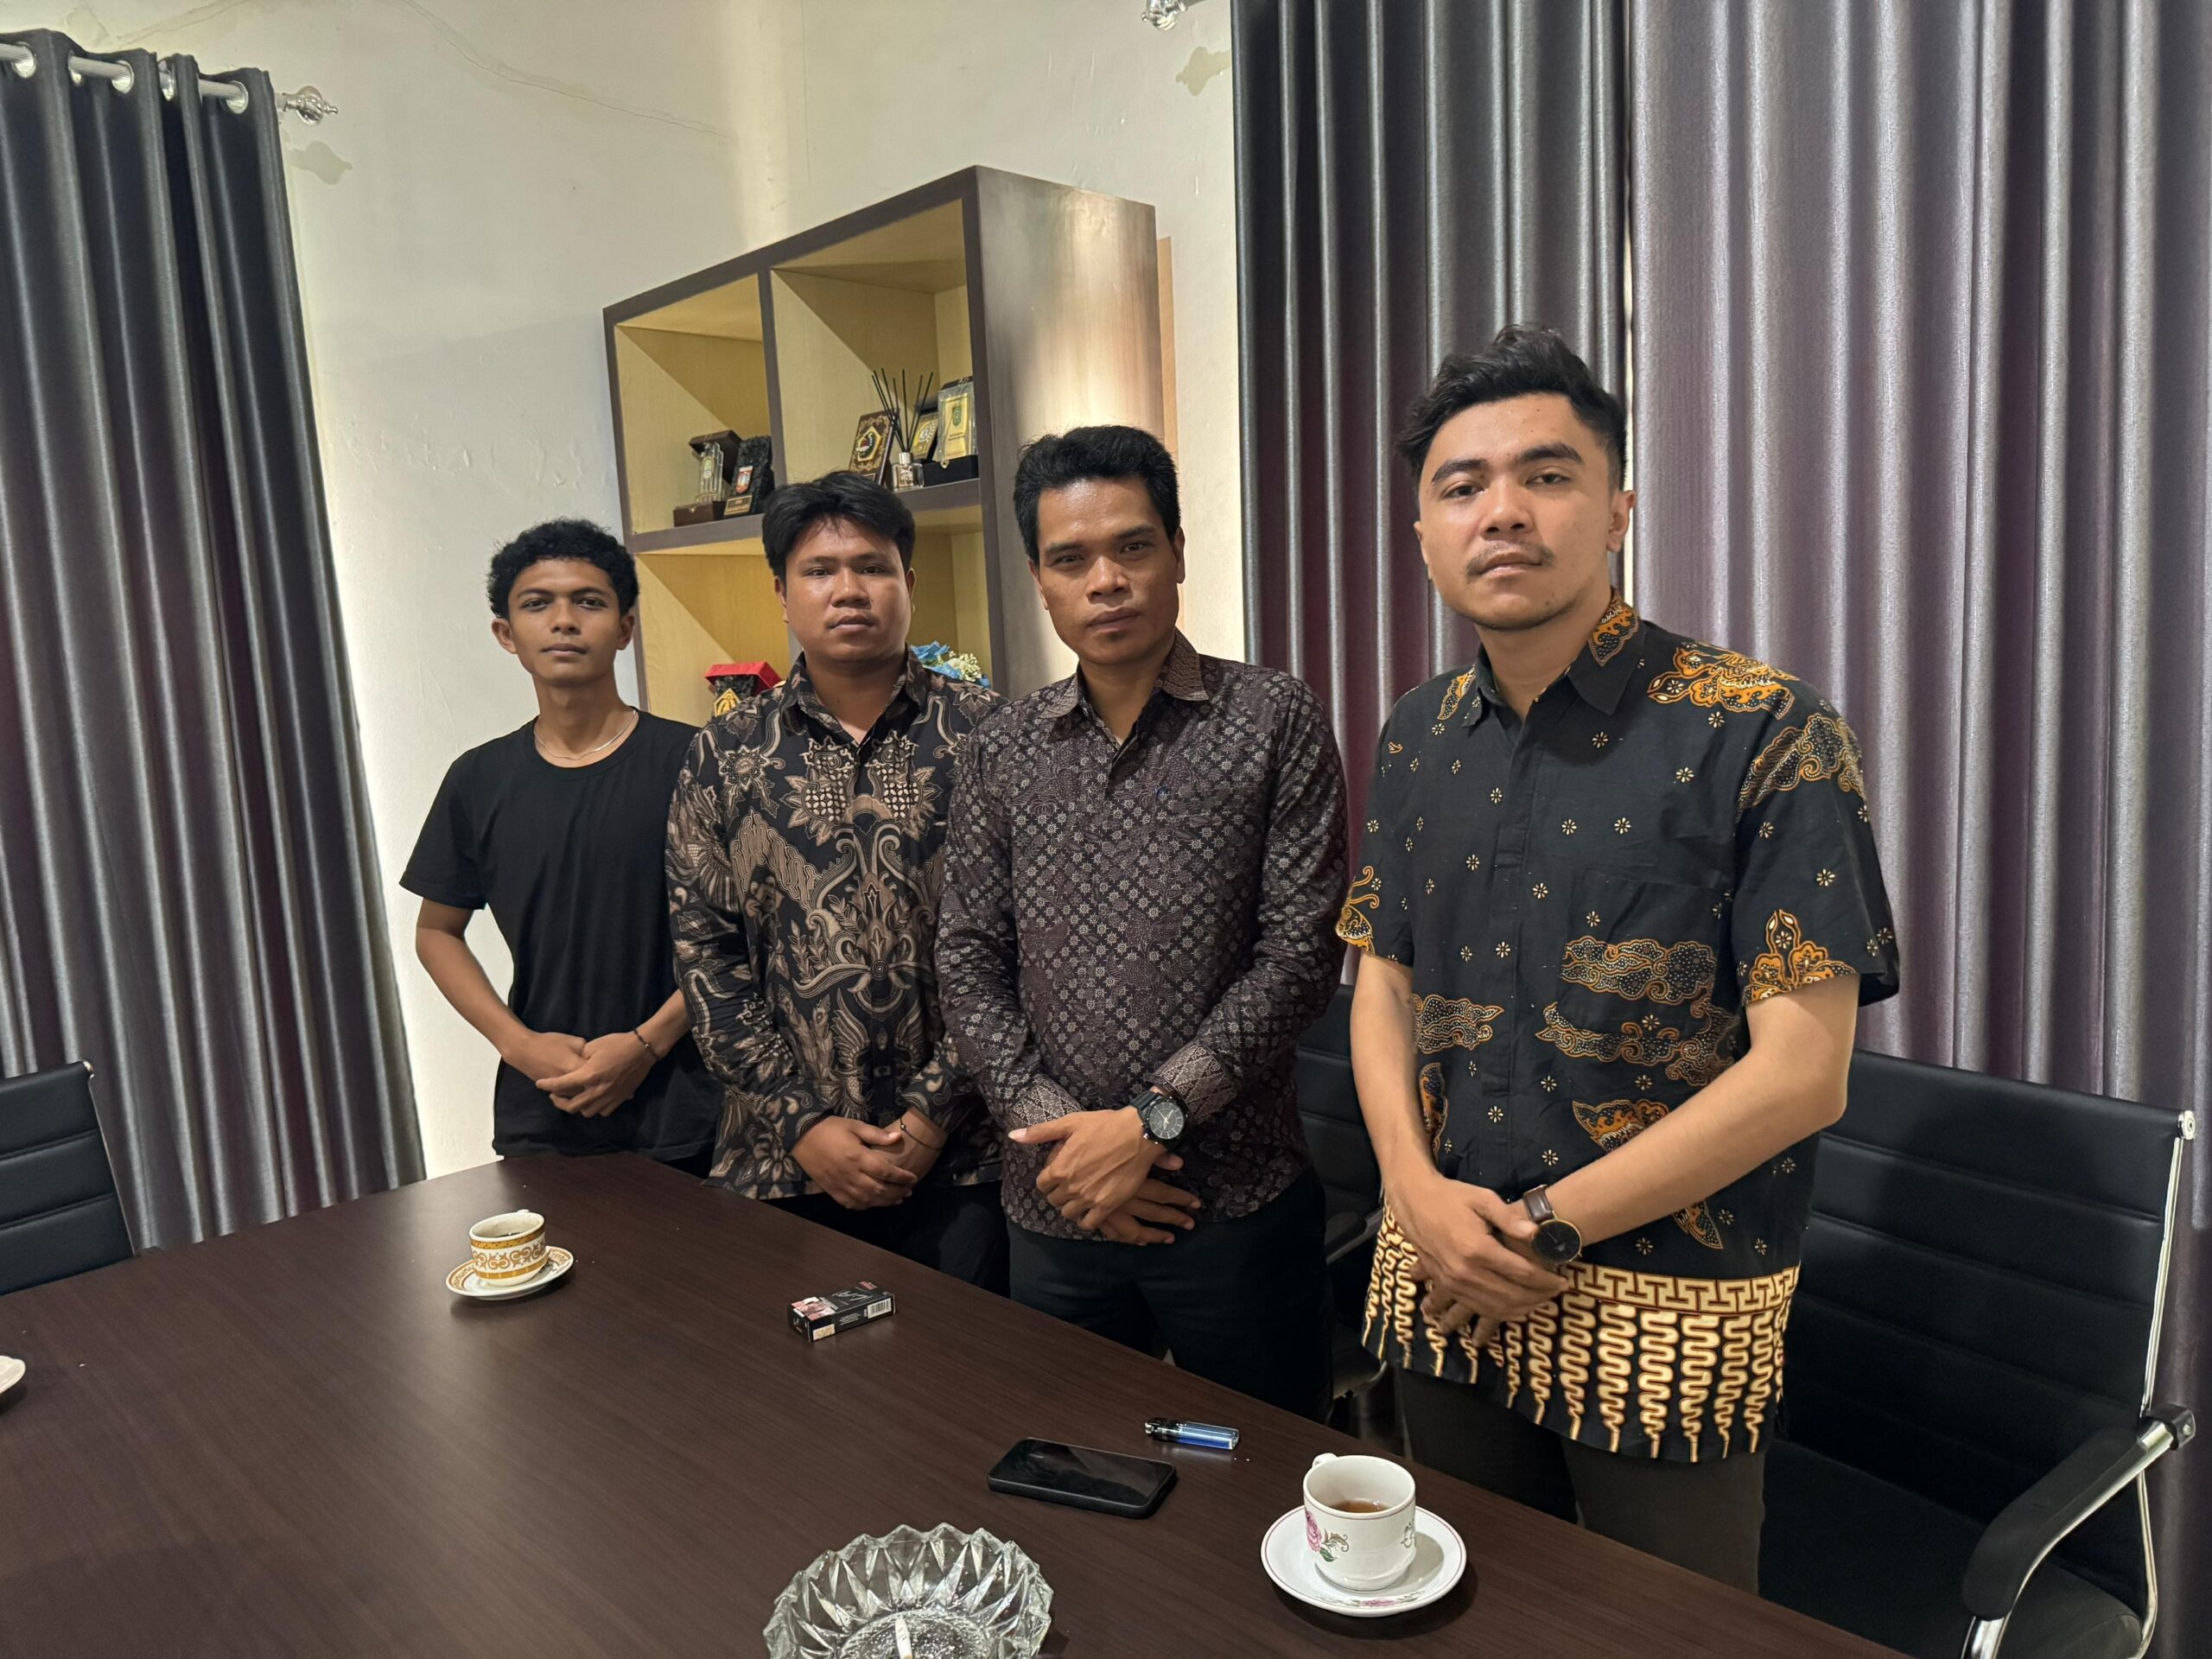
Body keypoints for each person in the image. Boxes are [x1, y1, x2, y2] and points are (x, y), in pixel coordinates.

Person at [1340, 324, 1899, 1591]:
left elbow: (1804, 1074)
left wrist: (1540, 1229)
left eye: (1547, 475)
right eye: (1462, 486)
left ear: (1618, 511)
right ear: (1424, 534)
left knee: (1666, 1627)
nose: (1503, 512)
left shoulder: (1763, 727)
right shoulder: (1417, 733)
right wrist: (1414, 1192)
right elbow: (1385, 981)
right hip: (1445, 1261)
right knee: (1463, 1596)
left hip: (1666, 1306)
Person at [938, 424, 1349, 1420]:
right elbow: (967, 956)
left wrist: (1148, 1123)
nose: (1106, 582)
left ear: (1177, 551)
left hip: (1234, 1201)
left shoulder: (1272, 719)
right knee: (1075, 1469)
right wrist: (1064, 1143)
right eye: (1070, 559)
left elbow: (1298, 956)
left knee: (1261, 1474)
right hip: (1056, 1202)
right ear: (1039, 580)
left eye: (1132, 546)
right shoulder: (1000, 749)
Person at [665, 472, 1007, 1291]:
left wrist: (932, 1114)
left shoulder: (991, 734)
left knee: (975, 1363)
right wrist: (802, 1123)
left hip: (969, 1154)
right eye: (819, 570)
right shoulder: (723, 754)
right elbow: (707, 958)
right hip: (784, 1161)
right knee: (798, 1370)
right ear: (782, 594)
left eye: (873, 567)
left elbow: (1024, 946)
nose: (848, 590)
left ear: (909, 583)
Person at [404, 518, 719, 1174]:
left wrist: (647, 1044)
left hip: (693, 1105)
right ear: (506, 634)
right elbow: (436, 932)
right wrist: (517, 1044)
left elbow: (750, 932)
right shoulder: (478, 779)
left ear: (625, 628)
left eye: (589, 602)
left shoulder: (697, 760)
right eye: (537, 604)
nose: (564, 621)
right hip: (545, 1105)